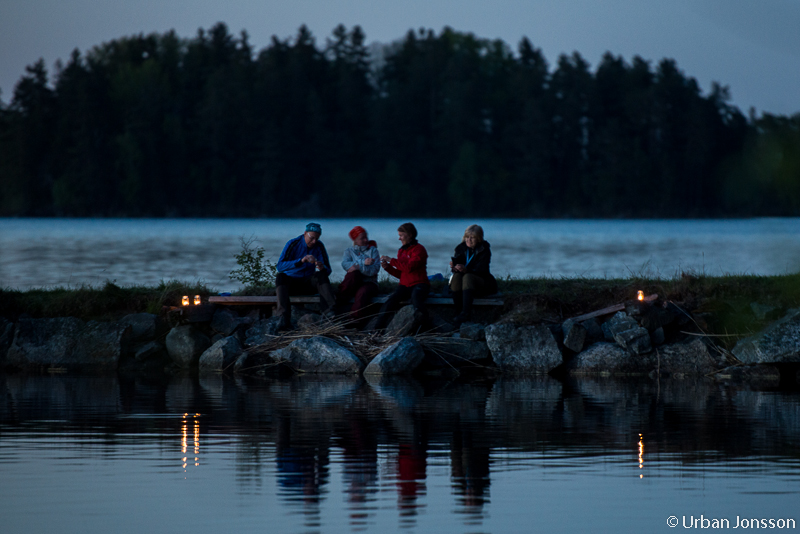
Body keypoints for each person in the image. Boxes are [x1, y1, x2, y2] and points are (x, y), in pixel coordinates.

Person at [274, 222, 336, 330]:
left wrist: (322, 268)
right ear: (305, 233)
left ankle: (330, 313)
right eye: (312, 238)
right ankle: (283, 318)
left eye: (317, 238)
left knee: (321, 275)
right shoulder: (293, 244)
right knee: (280, 277)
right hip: (292, 283)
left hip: (309, 283)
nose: (314, 241)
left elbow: (328, 269)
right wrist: (301, 261)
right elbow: (280, 266)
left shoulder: (319, 246)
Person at [376, 222, 430, 330]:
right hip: (405, 285)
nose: (399, 238)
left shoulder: (419, 250)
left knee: (416, 300)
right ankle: (376, 329)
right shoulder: (401, 251)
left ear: (409, 235)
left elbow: (409, 267)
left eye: (401, 235)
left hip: (420, 283)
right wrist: (388, 268)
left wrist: (391, 260)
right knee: (389, 302)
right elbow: (402, 274)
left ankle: (426, 327)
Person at [449, 224, 497, 327]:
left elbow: (482, 270)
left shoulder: (484, 249)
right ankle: (458, 313)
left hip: (481, 281)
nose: (468, 240)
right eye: (467, 237)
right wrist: (455, 267)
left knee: (468, 276)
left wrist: (466, 270)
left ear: (479, 238)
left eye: (472, 238)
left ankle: (466, 313)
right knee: (456, 277)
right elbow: (459, 265)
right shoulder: (460, 248)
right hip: (463, 280)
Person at [336, 226, 381, 326]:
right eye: (362, 238)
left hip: (370, 282)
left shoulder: (373, 251)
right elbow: (345, 265)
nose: (366, 240)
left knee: (362, 292)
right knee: (352, 275)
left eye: (366, 237)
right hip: (355, 281)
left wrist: (358, 266)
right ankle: (338, 302)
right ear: (355, 240)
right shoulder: (349, 251)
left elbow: (374, 270)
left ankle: (354, 320)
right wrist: (363, 263)